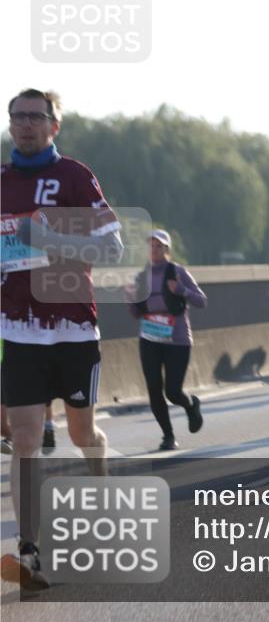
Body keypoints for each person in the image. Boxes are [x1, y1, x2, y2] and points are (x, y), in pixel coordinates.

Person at [1, 89, 124, 589]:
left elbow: (114, 248)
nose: (25, 124)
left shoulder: (74, 176)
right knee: (25, 439)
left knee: (80, 435)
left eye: (36, 116)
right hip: (18, 329)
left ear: (55, 125)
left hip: (72, 327)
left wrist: (55, 242)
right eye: (17, 116)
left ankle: (104, 490)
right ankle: (30, 551)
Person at [126, 230, 207, 450]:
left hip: (177, 339)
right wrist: (132, 301)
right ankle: (168, 436)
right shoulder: (141, 277)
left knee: (172, 391)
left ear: (167, 250)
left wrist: (181, 290)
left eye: (159, 246)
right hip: (150, 338)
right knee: (153, 388)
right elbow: (136, 313)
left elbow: (201, 301)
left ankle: (190, 405)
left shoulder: (178, 272)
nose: (154, 250)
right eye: (151, 245)